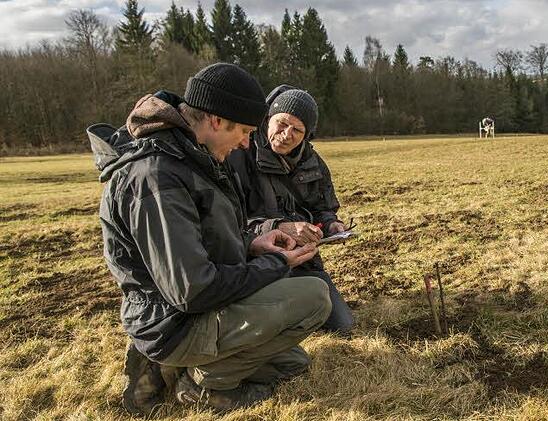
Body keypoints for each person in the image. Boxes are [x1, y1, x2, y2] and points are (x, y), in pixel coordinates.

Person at [87, 63, 332, 415]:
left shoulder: (192, 157)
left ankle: (175, 369)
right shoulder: (157, 178)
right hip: (175, 322)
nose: (248, 142)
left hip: (192, 312)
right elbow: (193, 289)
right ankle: (201, 387)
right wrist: (274, 263)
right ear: (217, 121)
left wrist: (252, 244)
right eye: (246, 131)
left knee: (290, 362)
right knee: (313, 298)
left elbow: (201, 239)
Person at [227, 85, 354, 335]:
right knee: (280, 330)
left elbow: (324, 208)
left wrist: (331, 225)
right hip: (254, 263)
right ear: (268, 118)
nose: (287, 134)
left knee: (342, 326)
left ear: (306, 135)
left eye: (297, 130)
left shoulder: (313, 162)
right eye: (282, 123)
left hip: (303, 260)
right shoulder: (238, 155)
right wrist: (278, 227)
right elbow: (229, 222)